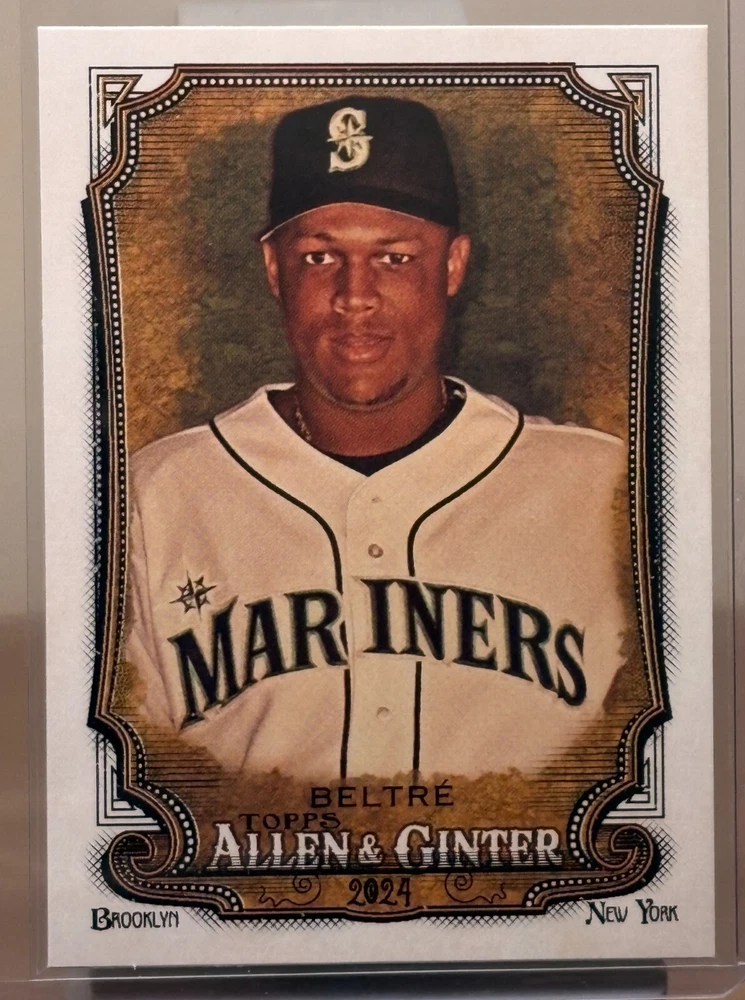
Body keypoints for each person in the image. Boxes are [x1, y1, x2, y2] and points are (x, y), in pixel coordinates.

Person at [124, 96, 629, 782]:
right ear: (273, 269)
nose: (354, 295)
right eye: (319, 257)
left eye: (394, 257)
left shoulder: (603, 490)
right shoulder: (156, 497)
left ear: (452, 265)